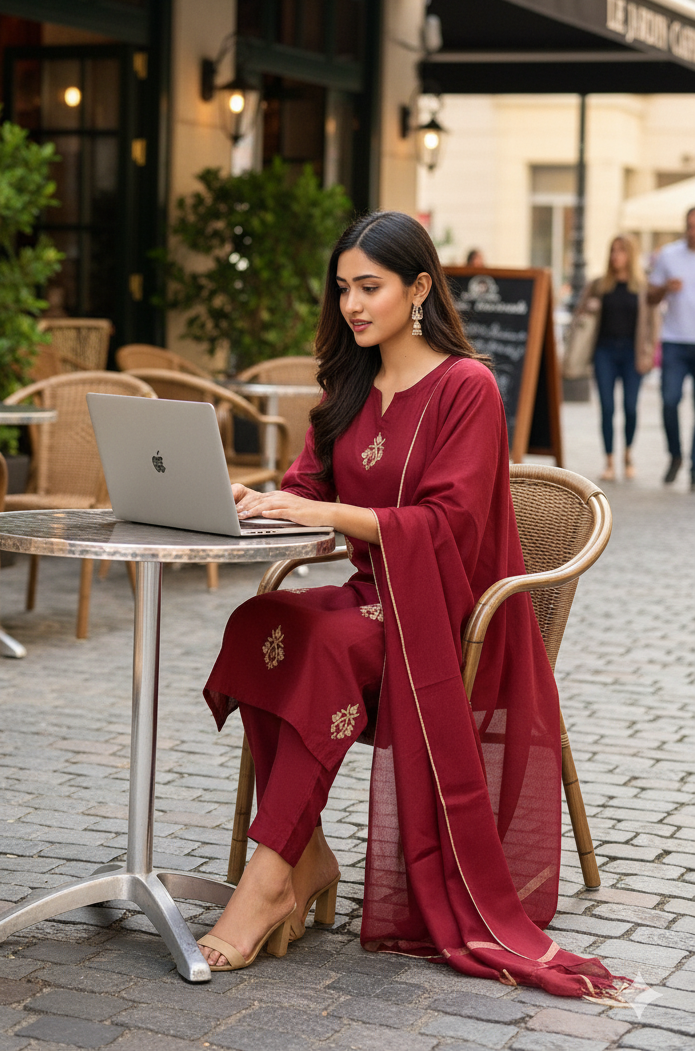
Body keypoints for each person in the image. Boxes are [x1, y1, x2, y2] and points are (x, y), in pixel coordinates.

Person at [198, 211, 619, 999]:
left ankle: (266, 881)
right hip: (373, 600)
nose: (353, 305)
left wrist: (323, 515)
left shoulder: (468, 388)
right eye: (343, 289)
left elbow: (449, 525)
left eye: (371, 287)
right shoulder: (349, 383)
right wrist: (260, 500)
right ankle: (304, 852)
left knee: (320, 645)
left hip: (452, 618)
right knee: (262, 625)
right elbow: (308, 488)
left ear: (419, 288)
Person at [573, 234, 655, 482]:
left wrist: (648, 354)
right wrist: (589, 309)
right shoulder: (599, 285)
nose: (615, 256)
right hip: (604, 352)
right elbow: (579, 314)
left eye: (620, 251)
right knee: (607, 408)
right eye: (612, 251)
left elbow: (653, 324)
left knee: (630, 407)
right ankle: (609, 460)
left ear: (630, 255)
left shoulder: (642, 287)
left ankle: (628, 455)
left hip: (632, 353)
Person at [648, 209, 695, 487]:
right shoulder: (668, 255)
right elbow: (650, 298)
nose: (693, 231)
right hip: (674, 341)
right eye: (690, 226)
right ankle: (675, 455)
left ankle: (694, 468)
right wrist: (665, 287)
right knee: (669, 401)